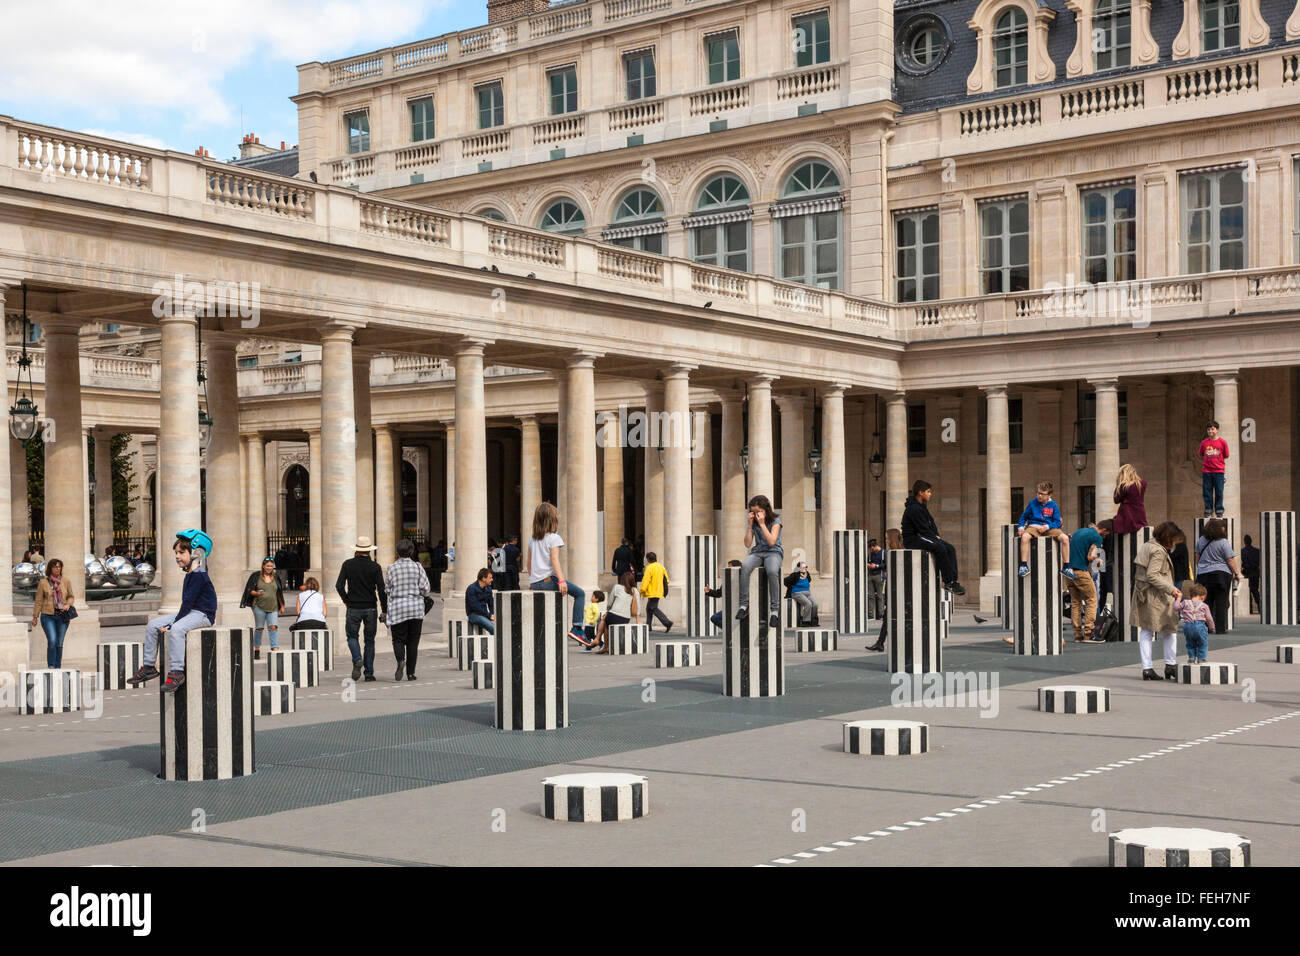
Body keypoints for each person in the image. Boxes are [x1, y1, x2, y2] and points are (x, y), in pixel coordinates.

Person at [128, 530, 217, 693]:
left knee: (177, 630)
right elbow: (187, 606)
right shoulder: (190, 575)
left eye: (181, 552)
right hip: (191, 612)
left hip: (203, 614)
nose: (177, 556)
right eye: (176, 552)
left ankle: (177, 672)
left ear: (197, 553)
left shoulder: (200, 575)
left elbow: (188, 604)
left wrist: (171, 625)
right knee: (153, 625)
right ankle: (149, 667)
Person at [525, 502, 590, 646]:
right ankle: (577, 628)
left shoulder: (532, 539)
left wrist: (532, 581)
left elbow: (528, 564)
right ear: (552, 520)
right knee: (579, 594)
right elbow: (554, 559)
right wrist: (561, 580)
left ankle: (545, 638)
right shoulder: (554, 538)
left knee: (548, 609)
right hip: (549, 580)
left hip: (536, 582)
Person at [1133, 521, 1184, 681]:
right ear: (1168, 537)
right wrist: (1172, 589)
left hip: (1145, 593)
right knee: (1169, 629)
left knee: (1148, 631)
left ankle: (1148, 668)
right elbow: (1152, 575)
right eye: (1174, 540)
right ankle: (1169, 664)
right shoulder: (1158, 551)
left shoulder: (1148, 545)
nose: (1175, 543)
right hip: (1157, 595)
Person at [336, 536, 388, 682]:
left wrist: (347, 601)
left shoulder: (347, 564)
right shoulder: (375, 567)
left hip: (353, 606)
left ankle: (357, 658)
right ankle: (369, 673)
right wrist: (384, 609)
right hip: (370, 607)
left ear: (356, 550)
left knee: (352, 636)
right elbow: (382, 589)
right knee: (370, 640)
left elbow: (339, 586)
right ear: (369, 551)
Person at [901, 480, 965, 595]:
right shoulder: (913, 509)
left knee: (950, 548)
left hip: (924, 536)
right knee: (940, 548)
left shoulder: (922, 507)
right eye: (928, 491)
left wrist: (937, 535)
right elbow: (922, 529)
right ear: (921, 492)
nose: (930, 494)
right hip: (914, 539)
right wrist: (934, 538)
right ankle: (948, 581)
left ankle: (953, 581)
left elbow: (931, 523)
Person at [734, 494, 784, 626]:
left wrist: (762, 524)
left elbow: (772, 541)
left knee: (772, 571)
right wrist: (750, 525)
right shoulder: (754, 523)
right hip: (758, 552)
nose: (755, 514)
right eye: (752, 512)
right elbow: (747, 544)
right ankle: (744, 605)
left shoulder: (776, 521)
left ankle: (774, 611)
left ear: (766, 509)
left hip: (773, 552)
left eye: (758, 511)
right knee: (745, 567)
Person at [385, 538, 431, 681]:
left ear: (397, 552)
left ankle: (400, 660)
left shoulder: (391, 568)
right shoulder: (417, 567)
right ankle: (411, 673)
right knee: (413, 641)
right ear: (411, 551)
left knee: (397, 639)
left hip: (398, 608)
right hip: (415, 608)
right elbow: (426, 588)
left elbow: (387, 589)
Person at [1016, 481, 1072, 579]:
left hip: (1049, 527)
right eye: (1038, 493)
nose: (1039, 496)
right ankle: (1023, 566)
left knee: (1065, 538)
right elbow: (1023, 517)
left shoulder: (1053, 505)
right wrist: (1021, 527)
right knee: (1025, 537)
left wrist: (1047, 527)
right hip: (1033, 526)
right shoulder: (1032, 503)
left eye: (1042, 494)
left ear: (1049, 495)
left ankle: (1066, 567)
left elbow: (1058, 522)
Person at [1194, 518, 1239, 636]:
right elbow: (1230, 559)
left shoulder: (1201, 540)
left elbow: (1197, 557)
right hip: (1221, 574)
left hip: (1203, 574)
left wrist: (1203, 566)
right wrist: (1237, 573)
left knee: (1206, 601)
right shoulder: (1223, 542)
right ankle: (1220, 628)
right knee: (1221, 601)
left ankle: (1206, 627)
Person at [1065, 522, 1108, 644]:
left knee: (1075, 602)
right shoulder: (1097, 537)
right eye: (1107, 533)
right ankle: (1089, 634)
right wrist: (1098, 560)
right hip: (1081, 571)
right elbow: (1090, 557)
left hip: (1069, 571)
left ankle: (1077, 635)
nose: (1106, 536)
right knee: (1092, 599)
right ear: (1104, 530)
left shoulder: (1078, 531)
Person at [30, 558, 76, 668]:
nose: (58, 569)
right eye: (55, 566)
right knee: (52, 641)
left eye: (59, 566)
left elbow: (71, 596)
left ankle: (57, 667)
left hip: (62, 616)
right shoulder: (43, 582)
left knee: (59, 643)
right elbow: (39, 600)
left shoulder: (66, 581)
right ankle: (51, 666)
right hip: (48, 616)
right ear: (50, 568)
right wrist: (35, 616)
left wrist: (68, 604)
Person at [241, 558, 286, 660]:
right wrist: (257, 593)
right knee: (259, 628)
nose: (269, 568)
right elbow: (250, 591)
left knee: (273, 627)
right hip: (259, 606)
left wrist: (282, 605)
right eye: (267, 566)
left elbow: (279, 592)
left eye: (271, 566)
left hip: (273, 606)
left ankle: (275, 648)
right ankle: (256, 649)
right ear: (263, 566)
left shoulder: (276, 577)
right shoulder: (256, 576)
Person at [866, 529, 904, 652]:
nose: (886, 541)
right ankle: (880, 642)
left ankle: (882, 643)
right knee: (888, 618)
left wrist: (877, 566)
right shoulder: (891, 553)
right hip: (892, 587)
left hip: (899, 589)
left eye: (887, 538)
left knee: (892, 618)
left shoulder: (898, 553)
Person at [592, 572, 639, 654]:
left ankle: (602, 643)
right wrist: (637, 621)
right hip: (625, 618)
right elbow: (638, 606)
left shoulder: (617, 587)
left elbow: (610, 603)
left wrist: (607, 611)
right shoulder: (635, 591)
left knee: (606, 621)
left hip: (613, 616)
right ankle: (604, 644)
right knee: (607, 620)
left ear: (622, 580)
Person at [1175, 582, 1215, 664]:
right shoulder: (1204, 606)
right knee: (1202, 643)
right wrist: (1212, 627)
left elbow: (1176, 608)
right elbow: (1209, 618)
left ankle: (1191, 658)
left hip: (1188, 626)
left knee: (1190, 643)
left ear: (1191, 595)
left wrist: (1178, 599)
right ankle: (1201, 658)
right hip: (1200, 626)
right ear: (1203, 597)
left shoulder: (1185, 602)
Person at [1198, 421, 1230, 518]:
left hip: (1218, 471)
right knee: (1207, 491)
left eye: (1212, 429)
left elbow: (1226, 455)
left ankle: (1219, 509)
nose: (1210, 431)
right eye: (1208, 429)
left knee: (1219, 491)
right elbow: (1201, 453)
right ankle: (1208, 509)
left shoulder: (1222, 442)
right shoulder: (1204, 443)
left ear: (1217, 430)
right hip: (1207, 471)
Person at [704, 559, 744, 631]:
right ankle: (731, 632)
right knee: (715, 618)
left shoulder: (744, 579)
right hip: (730, 608)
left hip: (741, 607)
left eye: (729, 567)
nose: (728, 569)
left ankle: (735, 633)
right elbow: (719, 593)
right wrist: (709, 591)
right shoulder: (727, 580)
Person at [639, 551, 673, 632]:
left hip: (652, 591)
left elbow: (646, 580)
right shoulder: (661, 567)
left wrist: (641, 590)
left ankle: (667, 622)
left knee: (653, 608)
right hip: (659, 591)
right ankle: (648, 626)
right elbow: (666, 579)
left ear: (648, 559)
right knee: (649, 608)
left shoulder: (649, 568)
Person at [1112, 464, 1148, 534]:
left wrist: (1118, 485)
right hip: (1139, 512)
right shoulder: (1142, 484)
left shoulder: (1123, 486)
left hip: (1127, 513)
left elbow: (1116, 500)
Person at [783, 554, 818, 626]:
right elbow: (785, 581)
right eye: (803, 567)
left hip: (807, 593)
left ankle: (813, 621)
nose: (805, 568)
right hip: (797, 593)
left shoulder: (807, 574)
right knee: (808, 604)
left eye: (806, 567)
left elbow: (809, 580)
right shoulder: (795, 575)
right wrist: (791, 586)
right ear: (799, 568)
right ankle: (805, 621)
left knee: (815, 604)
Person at [465, 566, 495, 635]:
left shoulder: (488, 589)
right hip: (473, 615)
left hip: (484, 614)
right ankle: (499, 644)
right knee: (493, 628)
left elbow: (491, 604)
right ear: (484, 579)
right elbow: (475, 607)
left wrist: (492, 613)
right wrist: (489, 615)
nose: (492, 579)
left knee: (501, 625)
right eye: (490, 578)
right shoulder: (471, 589)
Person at [1240, 533, 1261, 616]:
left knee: (1248, 592)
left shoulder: (1242, 551)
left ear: (1245, 542)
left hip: (1248, 573)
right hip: (1255, 572)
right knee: (1255, 590)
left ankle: (1250, 609)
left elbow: (1243, 562)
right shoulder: (1257, 551)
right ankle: (1259, 606)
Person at [867, 538, 885, 619]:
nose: (872, 550)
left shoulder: (883, 552)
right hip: (870, 575)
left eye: (872, 548)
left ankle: (881, 614)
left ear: (875, 546)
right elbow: (868, 561)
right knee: (870, 595)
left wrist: (877, 566)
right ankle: (870, 614)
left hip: (879, 575)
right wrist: (869, 565)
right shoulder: (871, 554)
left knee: (879, 596)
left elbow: (886, 564)